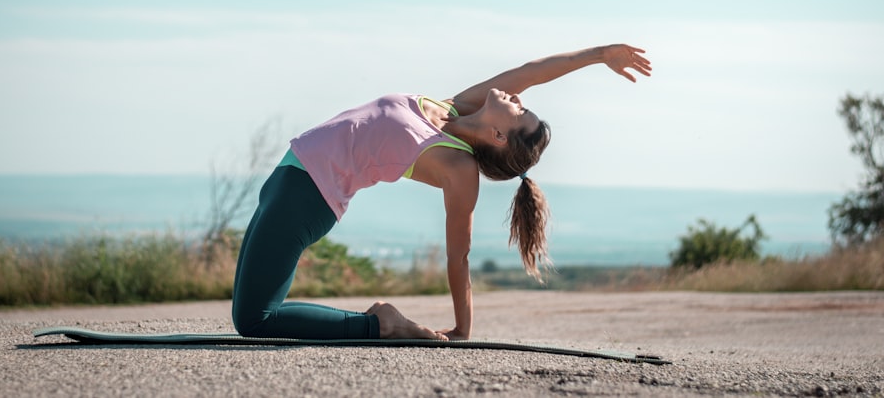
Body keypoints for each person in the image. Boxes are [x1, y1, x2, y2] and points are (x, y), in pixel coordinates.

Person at [232, 43, 652, 341]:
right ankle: (378, 325)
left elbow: (459, 255)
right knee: (250, 306)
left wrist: (462, 328)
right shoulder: (456, 107)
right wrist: (598, 55)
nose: (519, 97)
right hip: (289, 176)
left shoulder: (458, 166)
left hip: (309, 195)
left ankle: (380, 325)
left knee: (255, 319)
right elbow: (532, 69)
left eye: (521, 111)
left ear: (500, 136)